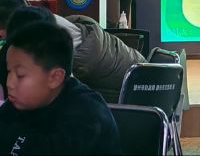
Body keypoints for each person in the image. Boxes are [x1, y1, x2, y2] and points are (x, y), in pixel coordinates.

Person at [0, 21, 121, 154]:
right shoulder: (20, 102)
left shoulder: (87, 114)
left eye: (20, 75)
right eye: (9, 71)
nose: (9, 83)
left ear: (55, 78)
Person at [0, 1, 145, 103]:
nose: (10, 83)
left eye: (20, 75)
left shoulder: (49, 41)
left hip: (133, 86)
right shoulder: (47, 22)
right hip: (135, 74)